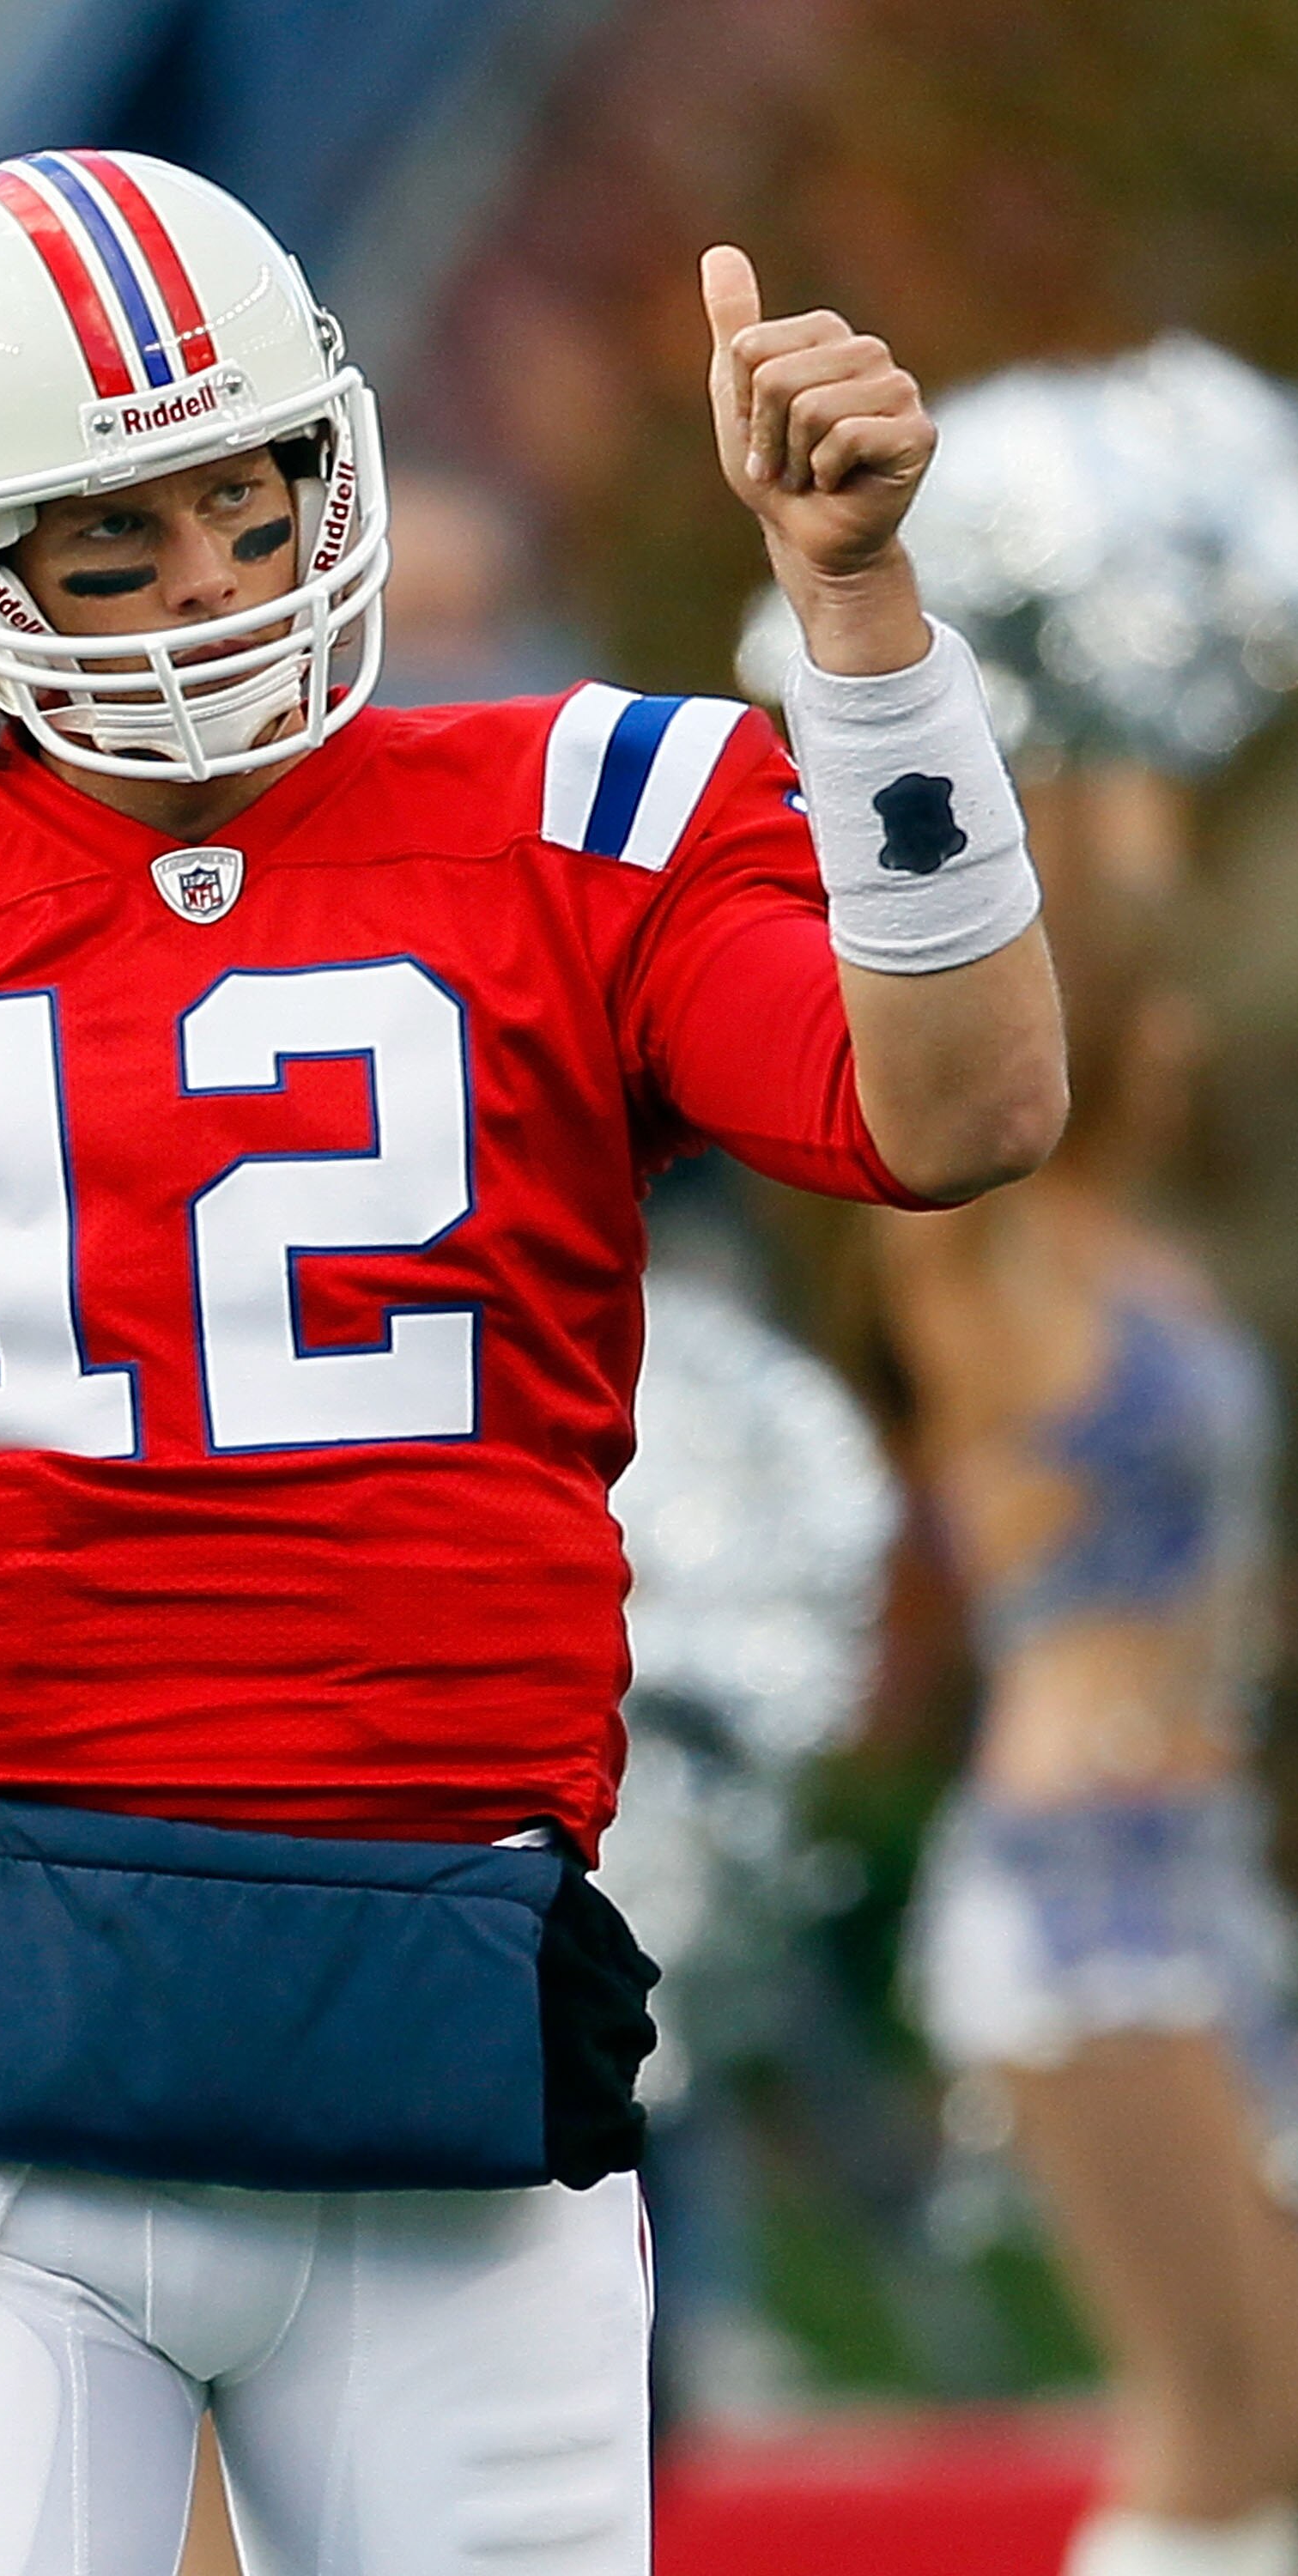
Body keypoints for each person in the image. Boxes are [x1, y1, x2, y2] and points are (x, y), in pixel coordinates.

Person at [0, 150, 1065, 2576]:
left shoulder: (581, 810)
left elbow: (963, 1111)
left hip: (443, 2040)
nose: (208, 586)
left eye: (250, 499)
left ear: (339, 451)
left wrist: (857, 622)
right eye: (107, 544)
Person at [743, 340, 1298, 2576]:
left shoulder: (1141, 1218)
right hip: (1074, 1894)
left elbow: (1149, 959)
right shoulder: (973, 1245)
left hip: (1189, 1861)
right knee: (1229, 2430)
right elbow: (1018, 981)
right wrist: (969, 723)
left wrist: (1125, 732)